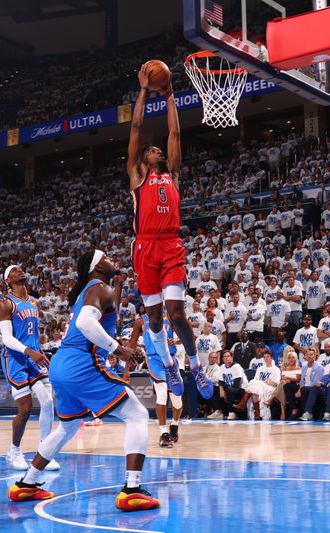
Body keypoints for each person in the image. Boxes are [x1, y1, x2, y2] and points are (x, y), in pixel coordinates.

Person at [9, 249, 160, 512]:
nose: (111, 258)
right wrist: (117, 348)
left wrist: (119, 286)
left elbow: (106, 314)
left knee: (68, 427)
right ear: (96, 266)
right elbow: (85, 323)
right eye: (105, 257)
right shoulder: (99, 287)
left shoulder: (93, 290)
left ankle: (26, 484)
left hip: (61, 364)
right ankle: (132, 490)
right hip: (81, 363)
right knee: (136, 415)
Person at [126, 62, 213, 401]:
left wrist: (171, 95)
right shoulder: (137, 175)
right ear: (145, 158)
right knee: (155, 318)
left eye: (159, 149)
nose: (158, 149)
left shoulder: (172, 174)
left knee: (176, 313)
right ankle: (168, 363)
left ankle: (194, 365)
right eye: (152, 149)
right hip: (145, 247)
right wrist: (145, 92)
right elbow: (135, 127)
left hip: (171, 244)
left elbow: (175, 134)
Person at [0, 265, 59, 471]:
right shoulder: (5, 303)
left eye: (21, 269)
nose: (20, 271)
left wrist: (38, 352)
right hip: (15, 358)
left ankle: (44, 451)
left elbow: (31, 334)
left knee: (48, 401)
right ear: (8, 280)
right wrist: (29, 352)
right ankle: (14, 451)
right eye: (14, 270)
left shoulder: (34, 301)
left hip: (33, 356)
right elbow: (7, 338)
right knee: (25, 409)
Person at [129, 311, 184, 448]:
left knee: (177, 399)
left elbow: (185, 336)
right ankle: (163, 433)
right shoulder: (140, 321)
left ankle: (175, 425)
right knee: (162, 392)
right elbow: (131, 345)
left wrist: (176, 341)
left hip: (170, 360)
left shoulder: (170, 316)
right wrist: (126, 370)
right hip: (154, 360)